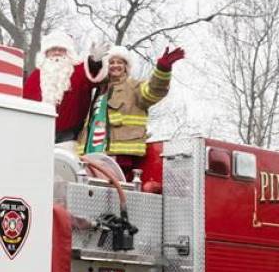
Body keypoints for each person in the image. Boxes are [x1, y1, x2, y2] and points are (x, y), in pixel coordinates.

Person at [77, 45, 185, 180]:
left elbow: (153, 91)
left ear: (126, 67)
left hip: (121, 155)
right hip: (91, 154)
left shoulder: (134, 87)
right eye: (111, 62)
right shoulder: (98, 89)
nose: (115, 65)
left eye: (120, 62)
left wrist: (162, 70)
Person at [23, 31, 109, 143]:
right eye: (53, 49)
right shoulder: (35, 75)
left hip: (69, 134)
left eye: (61, 49)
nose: (57, 52)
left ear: (68, 52)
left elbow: (92, 74)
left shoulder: (78, 70)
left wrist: (95, 61)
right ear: (46, 52)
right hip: (38, 131)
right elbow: (25, 101)